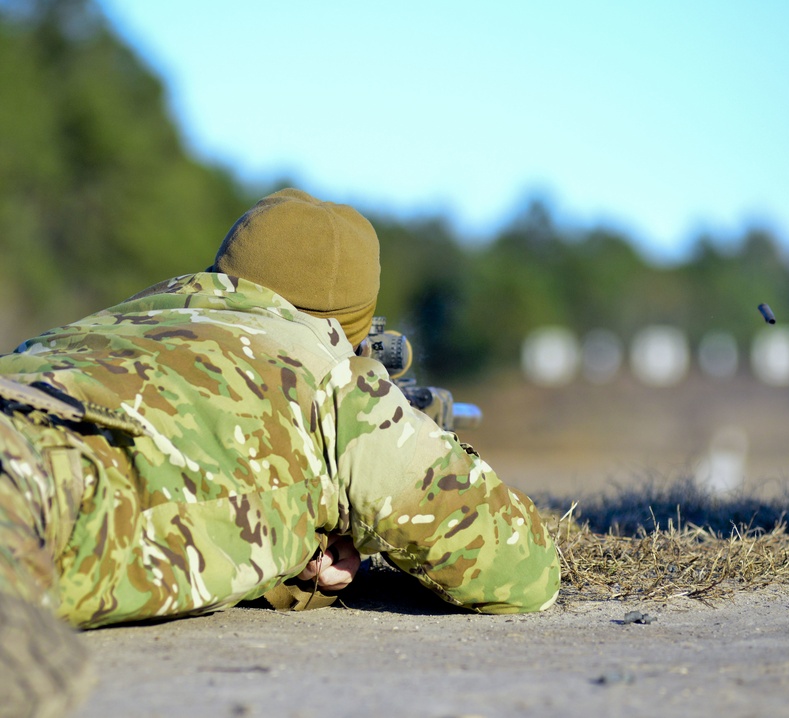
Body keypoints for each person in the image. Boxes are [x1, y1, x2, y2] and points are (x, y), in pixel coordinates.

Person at [0, 188, 560, 715]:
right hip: (38, 479)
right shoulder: (338, 382)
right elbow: (522, 568)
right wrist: (360, 506)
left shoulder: (108, 322)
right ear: (351, 326)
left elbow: (188, 467)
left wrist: (296, 554)